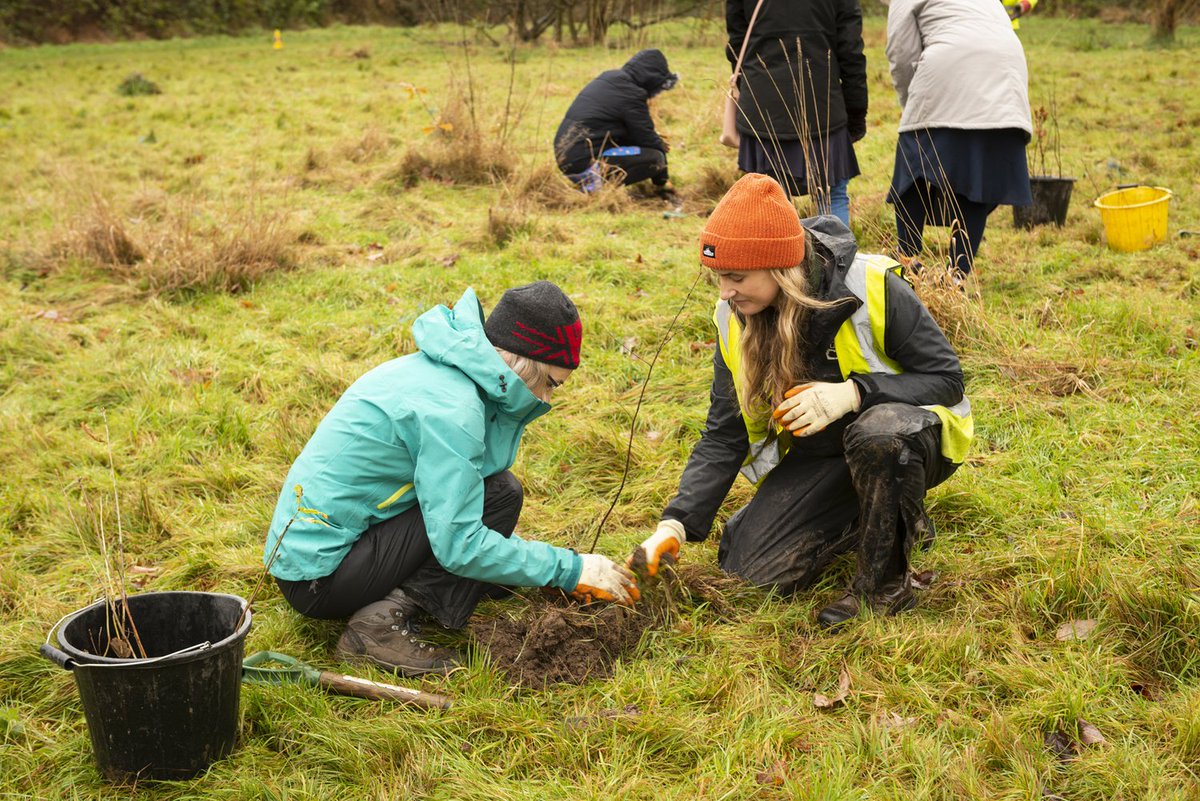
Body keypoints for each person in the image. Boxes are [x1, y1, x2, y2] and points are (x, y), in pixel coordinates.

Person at [631, 174, 972, 628]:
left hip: (907, 440)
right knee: (749, 570)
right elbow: (724, 433)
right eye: (717, 278)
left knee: (878, 433)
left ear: (779, 268)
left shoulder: (869, 284)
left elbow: (947, 377)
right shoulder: (734, 316)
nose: (724, 292)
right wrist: (674, 525)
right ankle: (884, 513)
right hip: (826, 456)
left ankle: (882, 590)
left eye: (736, 277)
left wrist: (854, 393)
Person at [263, 281, 638, 676]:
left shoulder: (448, 370)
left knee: (501, 493)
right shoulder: (453, 411)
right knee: (485, 514)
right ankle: (378, 629)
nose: (546, 400)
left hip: (331, 546)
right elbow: (458, 543)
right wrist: (568, 568)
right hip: (319, 577)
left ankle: (461, 583)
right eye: (550, 384)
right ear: (522, 366)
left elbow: (472, 486)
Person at [885, 0, 1032, 279]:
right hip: (1007, 70)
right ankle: (957, 276)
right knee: (978, 178)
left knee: (913, 166)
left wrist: (911, 104)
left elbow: (901, 54)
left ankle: (907, 259)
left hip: (951, 64)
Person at [726, 0, 868, 226]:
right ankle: (836, 260)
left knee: (767, 200)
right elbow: (851, 51)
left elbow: (736, 43)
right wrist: (856, 112)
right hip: (823, 106)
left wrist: (749, 92)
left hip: (762, 106)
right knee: (832, 196)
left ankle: (777, 261)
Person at [554, 49, 679, 196]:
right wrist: (662, 174)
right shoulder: (632, 94)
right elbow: (645, 138)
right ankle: (597, 188)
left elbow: (623, 131)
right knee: (656, 157)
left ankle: (591, 184)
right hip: (587, 165)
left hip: (569, 162)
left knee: (648, 148)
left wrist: (652, 138)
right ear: (651, 78)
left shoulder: (609, 78)